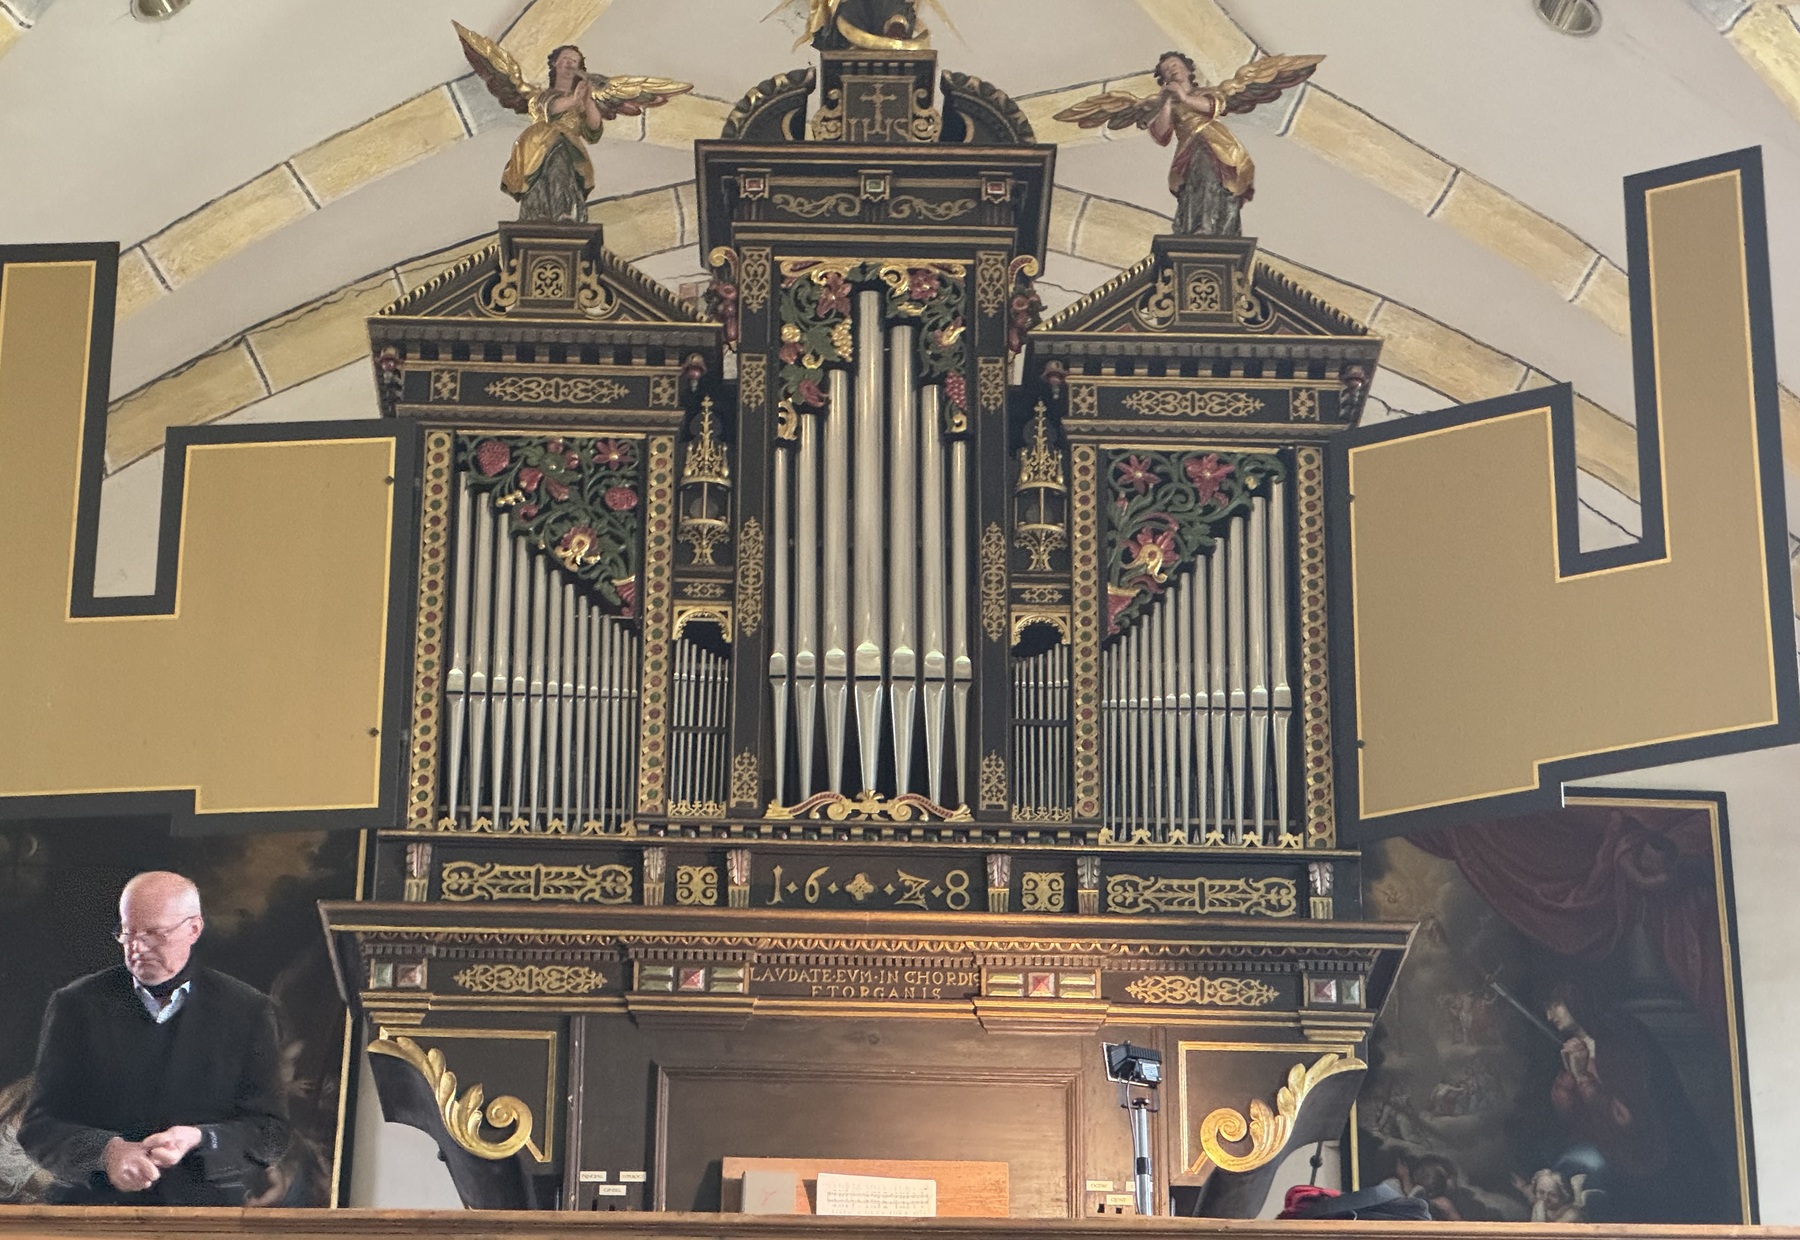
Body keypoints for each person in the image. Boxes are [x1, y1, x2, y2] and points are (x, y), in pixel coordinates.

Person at [17, 871, 289, 1205]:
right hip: (92, 1212)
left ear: (194, 929)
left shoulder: (248, 1010)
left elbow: (270, 1133)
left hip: (205, 1215)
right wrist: (107, 1153)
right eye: (128, 933)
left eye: (154, 934)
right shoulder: (75, 1006)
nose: (138, 947)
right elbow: (39, 1127)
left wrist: (200, 1139)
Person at [1147, 51, 1254, 239]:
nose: (1171, 70)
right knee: (1193, 184)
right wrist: (1166, 103)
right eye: (1166, 70)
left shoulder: (1204, 92)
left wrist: (1185, 97)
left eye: (1174, 65)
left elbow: (1214, 108)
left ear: (1188, 70)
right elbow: (1161, 135)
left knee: (1209, 176)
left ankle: (1206, 226)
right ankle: (1198, 225)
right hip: (1188, 147)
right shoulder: (1168, 104)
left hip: (1215, 143)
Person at [504, 45, 608, 223]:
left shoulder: (580, 101)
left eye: (574, 61)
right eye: (565, 58)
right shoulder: (540, 95)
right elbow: (550, 108)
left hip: (569, 145)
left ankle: (564, 211)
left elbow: (593, 128)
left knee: (563, 163)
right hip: (539, 142)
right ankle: (543, 213)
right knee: (547, 165)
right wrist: (575, 99)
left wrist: (588, 99)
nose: (570, 63)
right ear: (555, 63)